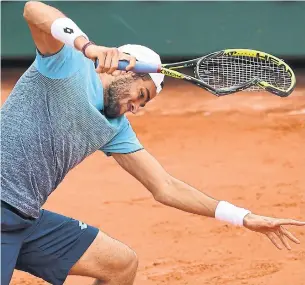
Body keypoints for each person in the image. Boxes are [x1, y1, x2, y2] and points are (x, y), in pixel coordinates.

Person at [1, 2, 304, 285]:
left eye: (142, 105)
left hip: (25, 218)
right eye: (141, 96)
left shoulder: (116, 127)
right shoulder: (65, 64)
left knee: (121, 264)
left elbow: (166, 187)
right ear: (124, 69)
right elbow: (32, 9)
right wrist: (86, 46)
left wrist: (245, 217)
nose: (136, 108)